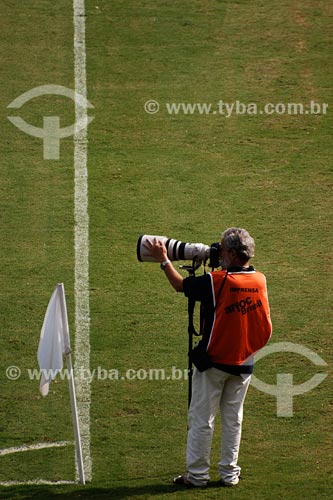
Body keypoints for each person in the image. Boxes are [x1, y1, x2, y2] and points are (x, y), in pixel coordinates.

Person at [143, 228, 272, 488]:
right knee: (233, 419)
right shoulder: (259, 280)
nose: (218, 253)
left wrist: (164, 260)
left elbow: (180, 285)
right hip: (244, 360)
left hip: (214, 361)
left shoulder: (218, 281)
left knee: (202, 419)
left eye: (222, 250)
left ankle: (198, 476)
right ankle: (229, 474)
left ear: (233, 254)